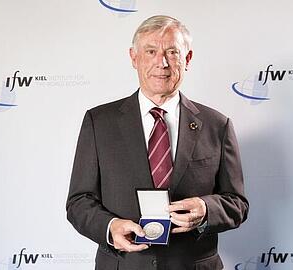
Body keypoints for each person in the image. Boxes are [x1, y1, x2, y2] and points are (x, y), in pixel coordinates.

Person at [66, 15, 249, 270]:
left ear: (187, 60)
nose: (161, 63)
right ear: (134, 57)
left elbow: (237, 203)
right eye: (150, 51)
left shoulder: (218, 125)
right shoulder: (99, 122)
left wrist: (205, 209)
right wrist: (111, 227)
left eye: (172, 52)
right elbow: (79, 201)